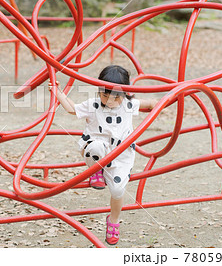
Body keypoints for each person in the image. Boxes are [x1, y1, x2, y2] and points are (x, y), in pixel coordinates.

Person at [50, 65, 158, 245]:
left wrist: (164, 103)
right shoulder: (93, 105)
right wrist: (57, 92)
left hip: (121, 155)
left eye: (116, 96)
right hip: (95, 153)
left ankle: (113, 221)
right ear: (99, 90)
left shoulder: (129, 104)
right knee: (97, 147)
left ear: (125, 94)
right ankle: (96, 171)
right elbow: (71, 108)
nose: (109, 100)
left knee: (118, 190)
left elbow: (153, 103)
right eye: (105, 94)